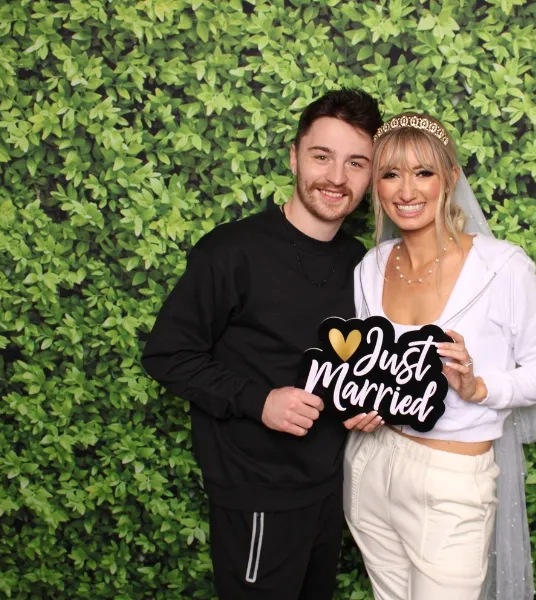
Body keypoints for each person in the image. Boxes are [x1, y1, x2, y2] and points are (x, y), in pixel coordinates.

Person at [141, 89, 384, 600]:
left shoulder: (361, 263)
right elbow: (168, 354)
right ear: (295, 156)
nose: (337, 178)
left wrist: (373, 402)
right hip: (257, 492)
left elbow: (356, 362)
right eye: (322, 156)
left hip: (330, 489)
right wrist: (260, 400)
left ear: (370, 174)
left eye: (356, 163)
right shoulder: (232, 251)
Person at [345, 114, 536, 600]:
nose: (407, 190)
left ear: (449, 178)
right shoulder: (370, 267)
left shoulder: (502, 266)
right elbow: (371, 369)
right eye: (390, 174)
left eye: (423, 172)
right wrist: (360, 405)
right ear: (376, 188)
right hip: (369, 467)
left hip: (451, 481)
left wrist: (478, 387)